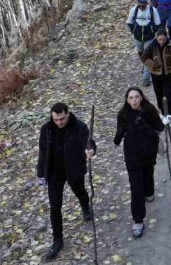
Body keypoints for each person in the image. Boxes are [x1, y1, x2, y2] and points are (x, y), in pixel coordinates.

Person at [36, 102, 96, 260]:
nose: (59, 122)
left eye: (62, 119)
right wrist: (41, 173)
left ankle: (85, 205)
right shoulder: (46, 130)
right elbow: (43, 152)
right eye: (56, 119)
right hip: (54, 173)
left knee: (80, 191)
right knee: (55, 206)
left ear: (68, 114)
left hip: (74, 168)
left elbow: (88, 142)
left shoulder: (79, 126)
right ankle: (57, 240)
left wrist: (90, 150)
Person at [113, 87, 168, 239]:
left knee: (148, 174)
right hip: (132, 155)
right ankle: (138, 220)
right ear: (127, 100)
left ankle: (149, 192)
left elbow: (159, 127)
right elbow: (119, 134)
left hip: (148, 151)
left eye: (137, 97)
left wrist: (163, 120)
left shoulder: (150, 110)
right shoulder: (123, 114)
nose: (134, 100)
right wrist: (117, 139)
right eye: (131, 98)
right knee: (136, 187)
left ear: (142, 98)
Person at [140, 28, 171, 121]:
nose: (161, 41)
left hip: (169, 75)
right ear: (156, 38)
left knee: (167, 96)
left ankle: (169, 116)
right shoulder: (151, 46)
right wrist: (153, 64)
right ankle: (163, 113)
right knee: (159, 97)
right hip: (156, 76)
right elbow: (143, 57)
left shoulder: (170, 45)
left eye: (163, 39)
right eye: (159, 39)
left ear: (166, 38)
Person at [127, 0, 161, 87]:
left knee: (147, 56)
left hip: (149, 38)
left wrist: (152, 31)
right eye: (140, 6)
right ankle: (145, 65)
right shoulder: (133, 10)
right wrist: (133, 30)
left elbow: (158, 23)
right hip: (137, 37)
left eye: (143, 6)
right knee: (141, 54)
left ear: (147, 4)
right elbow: (129, 22)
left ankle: (146, 78)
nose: (141, 8)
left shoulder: (152, 10)